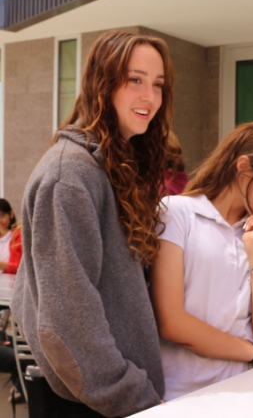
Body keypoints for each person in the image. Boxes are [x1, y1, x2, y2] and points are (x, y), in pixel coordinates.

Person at [11, 30, 175, 416]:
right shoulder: (69, 176)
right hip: (95, 403)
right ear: (102, 84)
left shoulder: (109, 167)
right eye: (134, 80)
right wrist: (132, 396)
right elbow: (65, 320)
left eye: (158, 84)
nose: (149, 97)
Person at [151, 123, 253, 400]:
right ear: (243, 166)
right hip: (179, 395)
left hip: (244, 391)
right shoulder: (176, 214)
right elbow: (173, 324)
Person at [0, 199, 21, 274]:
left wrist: (4, 266)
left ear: (11, 214)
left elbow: (22, 267)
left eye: (2, 215)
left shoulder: (19, 237)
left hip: (12, 283)